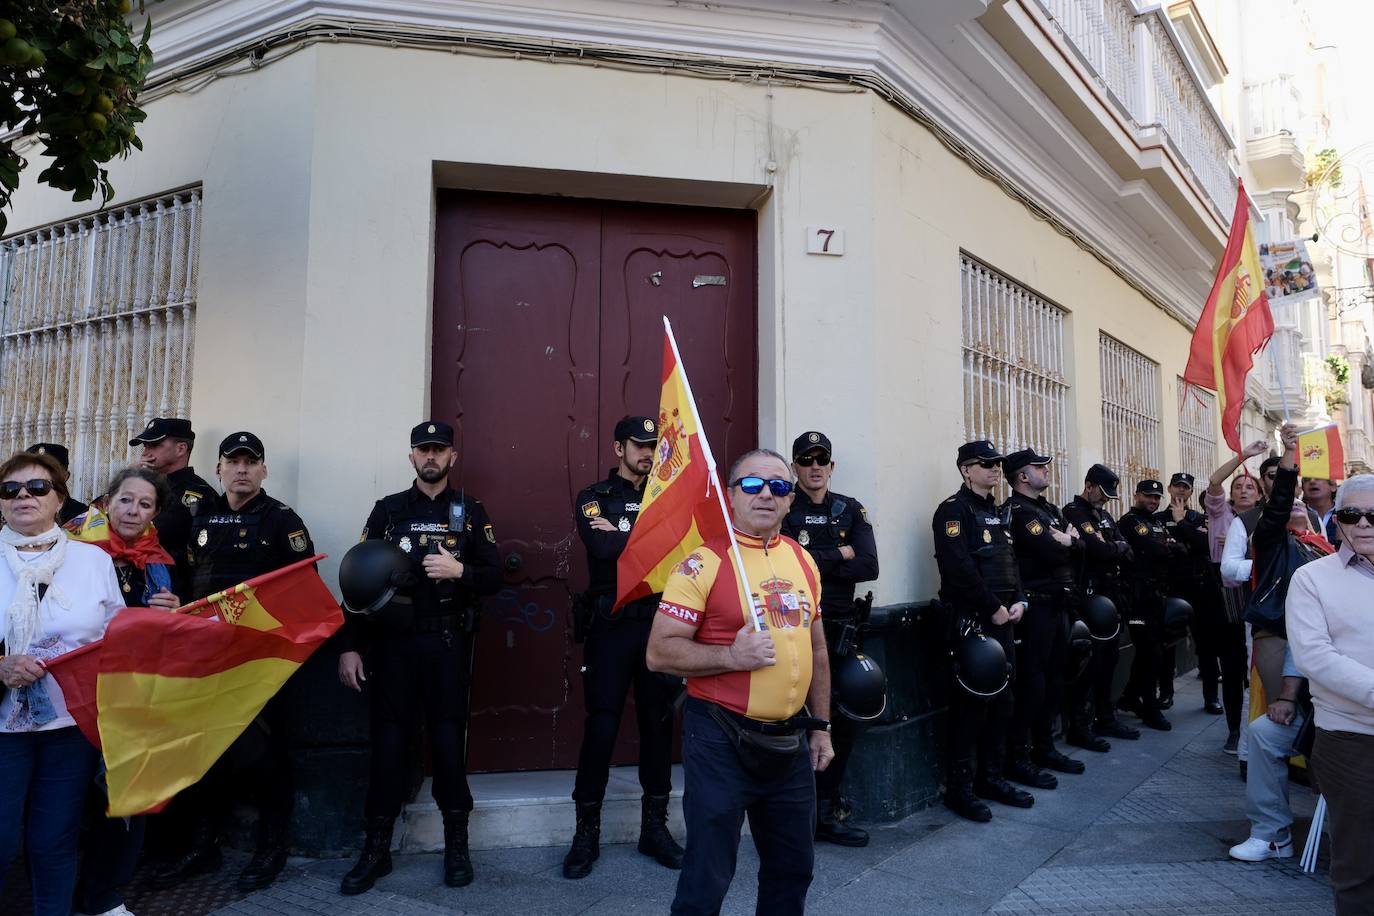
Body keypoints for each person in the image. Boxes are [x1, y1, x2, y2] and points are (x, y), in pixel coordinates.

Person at [647, 449, 834, 916]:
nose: (766, 494)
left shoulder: (803, 560)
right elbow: (659, 652)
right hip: (720, 738)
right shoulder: (701, 564)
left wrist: (821, 727)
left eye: (779, 486)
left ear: (791, 499)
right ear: (730, 495)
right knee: (707, 877)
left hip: (790, 742)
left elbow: (817, 650)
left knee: (793, 869)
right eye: (752, 484)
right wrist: (732, 656)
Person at [338, 420, 503, 894]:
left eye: (439, 449)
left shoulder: (470, 511)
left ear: (453, 457)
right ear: (411, 456)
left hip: (446, 644)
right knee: (388, 745)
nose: (431, 457)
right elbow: (357, 579)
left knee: (448, 744)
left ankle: (456, 845)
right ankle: (377, 848)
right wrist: (350, 645)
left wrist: (460, 570)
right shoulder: (388, 511)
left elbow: (494, 576)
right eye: (423, 449)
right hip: (393, 647)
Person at [153, 431, 316, 892]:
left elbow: (304, 587)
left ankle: (271, 848)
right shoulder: (199, 516)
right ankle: (203, 847)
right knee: (203, 752)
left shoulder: (282, 520)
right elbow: (186, 577)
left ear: (263, 470)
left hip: (260, 659)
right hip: (206, 654)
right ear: (219, 468)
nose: (242, 469)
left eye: (251, 462)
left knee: (265, 756)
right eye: (233, 461)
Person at [0, 451, 124, 916]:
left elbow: (116, 637)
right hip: (3, 731)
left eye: (37, 487)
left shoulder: (94, 561)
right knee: (2, 840)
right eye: (10, 489)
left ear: (59, 498)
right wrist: (1, 666)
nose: (23, 496)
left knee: (54, 840)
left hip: (71, 728)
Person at [562, 416, 683, 878]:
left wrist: (625, 534)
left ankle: (654, 829)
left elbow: (681, 548)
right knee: (602, 728)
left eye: (653, 445)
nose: (647, 453)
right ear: (619, 448)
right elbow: (602, 547)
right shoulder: (594, 496)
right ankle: (585, 833)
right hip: (611, 627)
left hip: (658, 625)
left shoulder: (668, 496)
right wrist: (655, 538)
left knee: (658, 727)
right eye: (638, 445)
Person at [65, 467, 180, 916]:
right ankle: (59, 896)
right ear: (107, 501)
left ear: (155, 513)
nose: (133, 511)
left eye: (145, 504)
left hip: (133, 697)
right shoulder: (72, 549)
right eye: (126, 500)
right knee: (70, 803)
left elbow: (172, 632)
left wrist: (174, 612)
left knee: (127, 797)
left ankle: (104, 896)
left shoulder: (160, 560)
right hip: (76, 696)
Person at [780, 430, 879, 847]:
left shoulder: (850, 509)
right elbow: (786, 563)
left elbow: (869, 565)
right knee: (795, 718)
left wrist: (816, 562)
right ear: (795, 467)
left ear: (832, 466)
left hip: (842, 630)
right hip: (796, 627)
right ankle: (795, 811)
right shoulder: (785, 507)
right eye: (806, 460)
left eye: (822, 460)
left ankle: (826, 808)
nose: (815, 466)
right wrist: (839, 554)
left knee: (843, 719)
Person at [1287, 473, 1374, 915]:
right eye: (1352, 515)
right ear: (1337, 520)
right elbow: (1314, 657)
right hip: (1351, 742)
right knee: (1359, 867)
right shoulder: (1311, 579)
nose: (1364, 524)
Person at [932, 440, 1033, 822]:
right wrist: (993, 608)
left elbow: (1011, 563)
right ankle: (960, 789)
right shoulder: (953, 511)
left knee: (1004, 703)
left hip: (1004, 620)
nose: (994, 469)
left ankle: (991, 778)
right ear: (965, 470)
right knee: (970, 707)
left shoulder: (996, 512)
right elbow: (958, 568)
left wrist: (1020, 601)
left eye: (996, 464)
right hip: (973, 623)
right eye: (986, 464)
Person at [1001, 448, 1083, 788]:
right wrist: (1070, 541)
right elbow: (1051, 551)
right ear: (1022, 476)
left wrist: (1071, 541)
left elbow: (1078, 548)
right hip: (1035, 608)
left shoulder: (1048, 510)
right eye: (1039, 467)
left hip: (1058, 604)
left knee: (1055, 679)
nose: (1046, 471)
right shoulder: (1019, 513)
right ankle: (1018, 756)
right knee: (1032, 684)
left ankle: (1045, 747)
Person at [1245, 424, 1333, 711]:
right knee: (1281, 712)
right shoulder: (1271, 542)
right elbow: (1280, 501)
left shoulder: (1324, 548)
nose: (1295, 503)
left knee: (1317, 712)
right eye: (1289, 504)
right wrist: (1290, 452)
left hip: (1318, 637)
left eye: (1300, 504)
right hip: (1277, 631)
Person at [1062, 463, 1139, 748]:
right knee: (1088, 663)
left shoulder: (1104, 516)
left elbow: (1125, 549)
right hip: (1088, 597)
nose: (1106, 499)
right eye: (1102, 492)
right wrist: (1112, 547)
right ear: (1089, 486)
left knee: (1110, 660)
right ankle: (1080, 725)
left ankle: (1106, 716)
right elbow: (1098, 550)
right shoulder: (1074, 512)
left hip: (1110, 595)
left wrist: (1112, 547)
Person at [1203, 442, 1268, 754]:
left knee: (1259, 663)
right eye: (1238, 486)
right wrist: (1245, 456)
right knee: (1231, 666)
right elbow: (1215, 480)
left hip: (1256, 594)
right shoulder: (1221, 513)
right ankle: (1233, 730)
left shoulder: (1264, 520)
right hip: (1226, 594)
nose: (1243, 490)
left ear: (1259, 495)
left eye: (1250, 487)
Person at [1116, 479, 1186, 731]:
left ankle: (1130, 697)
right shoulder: (1129, 522)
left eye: (1157, 497)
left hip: (1157, 594)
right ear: (1136, 495)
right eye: (1148, 496)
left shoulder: (1156, 522)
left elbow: (1180, 550)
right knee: (1150, 652)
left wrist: (1170, 548)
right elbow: (1157, 549)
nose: (1153, 501)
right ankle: (1149, 708)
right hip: (1138, 597)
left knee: (1152, 652)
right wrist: (1169, 548)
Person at [1228, 642, 1307, 863]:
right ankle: (1273, 836)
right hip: (1329, 707)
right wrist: (1288, 697)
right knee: (1265, 732)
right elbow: (1301, 644)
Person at [1154, 472, 1220, 713]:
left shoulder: (1199, 518)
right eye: (1177, 486)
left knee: (1206, 644)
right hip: (1171, 588)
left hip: (1199, 588)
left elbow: (1206, 546)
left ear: (1191, 492)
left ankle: (1211, 697)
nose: (1181, 490)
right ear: (1170, 488)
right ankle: (1166, 693)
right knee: (1167, 644)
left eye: (1186, 487)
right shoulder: (1157, 519)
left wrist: (1182, 523)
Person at [129, 417, 214, 588]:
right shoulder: (141, 485)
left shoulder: (200, 493)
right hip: (134, 583)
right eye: (145, 446)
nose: (145, 453)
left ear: (181, 448)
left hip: (173, 589)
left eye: (154, 445)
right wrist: (127, 481)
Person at [25, 443, 88, 525]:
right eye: (33, 471)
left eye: (51, 471)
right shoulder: (19, 509)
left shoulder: (82, 515)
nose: (41, 476)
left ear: (65, 476)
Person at [1302, 476, 1339, 545]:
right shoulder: (1297, 515)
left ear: (1333, 486)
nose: (1312, 481)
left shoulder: (1344, 515)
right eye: (1307, 479)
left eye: (1318, 477)